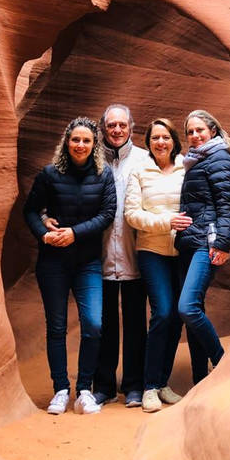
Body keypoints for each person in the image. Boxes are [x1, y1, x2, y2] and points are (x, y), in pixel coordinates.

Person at [23, 116, 116, 415]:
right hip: (53, 263)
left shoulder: (104, 176)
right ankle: (61, 389)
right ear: (67, 142)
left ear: (94, 145)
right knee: (57, 327)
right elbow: (31, 211)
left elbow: (108, 213)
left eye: (86, 140)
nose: (80, 145)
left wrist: (74, 233)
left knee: (93, 324)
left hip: (87, 262)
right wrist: (45, 234)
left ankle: (84, 390)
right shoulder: (50, 175)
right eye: (75, 140)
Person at [124, 118, 193, 413]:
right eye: (155, 139)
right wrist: (166, 222)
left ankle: (163, 383)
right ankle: (149, 386)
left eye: (165, 137)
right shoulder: (140, 171)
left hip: (183, 251)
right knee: (163, 312)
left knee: (178, 315)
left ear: (174, 140)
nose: (160, 143)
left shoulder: (185, 167)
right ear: (148, 143)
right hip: (151, 250)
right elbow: (132, 215)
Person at [176, 109, 230, 382]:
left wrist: (223, 244)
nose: (194, 136)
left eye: (199, 130)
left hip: (208, 242)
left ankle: (223, 363)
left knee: (187, 307)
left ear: (212, 131)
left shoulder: (219, 157)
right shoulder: (196, 160)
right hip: (191, 241)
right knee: (196, 310)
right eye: (190, 132)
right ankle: (200, 380)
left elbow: (227, 205)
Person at [92, 104, 148, 408]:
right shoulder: (92, 158)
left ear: (131, 127)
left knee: (137, 323)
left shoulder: (144, 159)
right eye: (111, 125)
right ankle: (103, 385)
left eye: (121, 125)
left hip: (135, 255)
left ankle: (134, 385)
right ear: (103, 127)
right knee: (104, 323)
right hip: (99, 258)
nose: (116, 130)